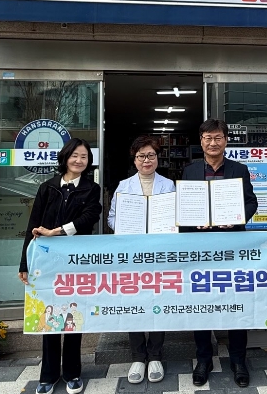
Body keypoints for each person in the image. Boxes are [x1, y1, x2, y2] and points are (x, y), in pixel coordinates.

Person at [18, 138, 102, 394]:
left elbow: (89, 218)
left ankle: (73, 373)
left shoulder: (91, 188)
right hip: (47, 263)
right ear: (65, 158)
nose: (79, 160)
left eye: (84, 157)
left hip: (76, 261)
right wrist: (25, 263)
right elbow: (33, 225)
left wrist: (56, 231)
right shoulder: (48, 187)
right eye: (75, 155)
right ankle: (48, 375)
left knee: (73, 315)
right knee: (49, 315)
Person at [180, 119, 258, 388]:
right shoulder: (190, 171)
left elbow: (251, 202)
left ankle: (238, 360)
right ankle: (204, 359)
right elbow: (184, 206)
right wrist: (193, 222)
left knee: (235, 301)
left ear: (226, 140)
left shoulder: (239, 169)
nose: (213, 143)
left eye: (218, 138)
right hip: (200, 249)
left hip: (231, 247)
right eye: (208, 138)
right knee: (201, 303)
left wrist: (236, 219)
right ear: (201, 141)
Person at [108, 135, 175, 384]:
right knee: (134, 301)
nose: (146, 160)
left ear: (157, 158)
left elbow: (175, 216)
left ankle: (155, 354)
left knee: (159, 300)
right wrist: (127, 227)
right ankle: (138, 355)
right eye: (141, 156)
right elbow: (112, 218)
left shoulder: (168, 185)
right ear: (134, 159)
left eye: (151, 155)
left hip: (159, 252)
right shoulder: (123, 186)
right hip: (133, 253)